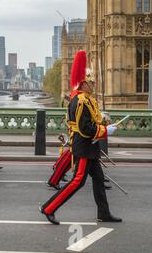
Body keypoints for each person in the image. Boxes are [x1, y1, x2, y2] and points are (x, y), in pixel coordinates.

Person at [40, 51, 122, 225]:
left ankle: (103, 213)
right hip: (84, 145)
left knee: (99, 179)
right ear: (83, 83)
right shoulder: (80, 101)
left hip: (90, 147)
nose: (93, 85)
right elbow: (85, 129)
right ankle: (49, 208)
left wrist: (103, 121)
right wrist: (105, 131)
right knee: (77, 181)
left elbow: (92, 120)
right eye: (91, 82)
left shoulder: (87, 99)